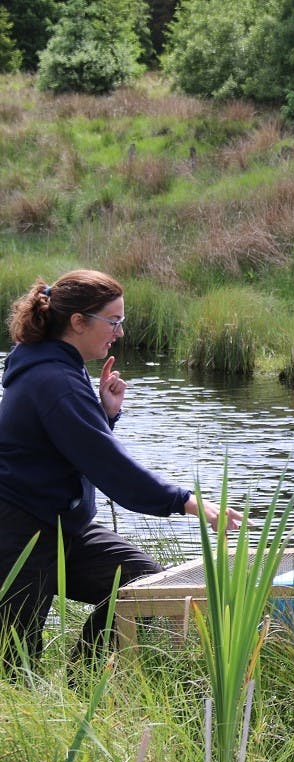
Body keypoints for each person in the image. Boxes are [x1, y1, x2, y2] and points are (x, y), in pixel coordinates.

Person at [0, 270, 242, 669]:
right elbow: (110, 466)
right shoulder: (53, 378)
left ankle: (81, 684)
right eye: (113, 321)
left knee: (145, 589)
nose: (120, 332)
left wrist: (104, 414)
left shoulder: (62, 366)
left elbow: (75, 447)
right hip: (20, 530)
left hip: (63, 526)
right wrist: (186, 501)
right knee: (14, 660)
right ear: (78, 322)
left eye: (121, 321)